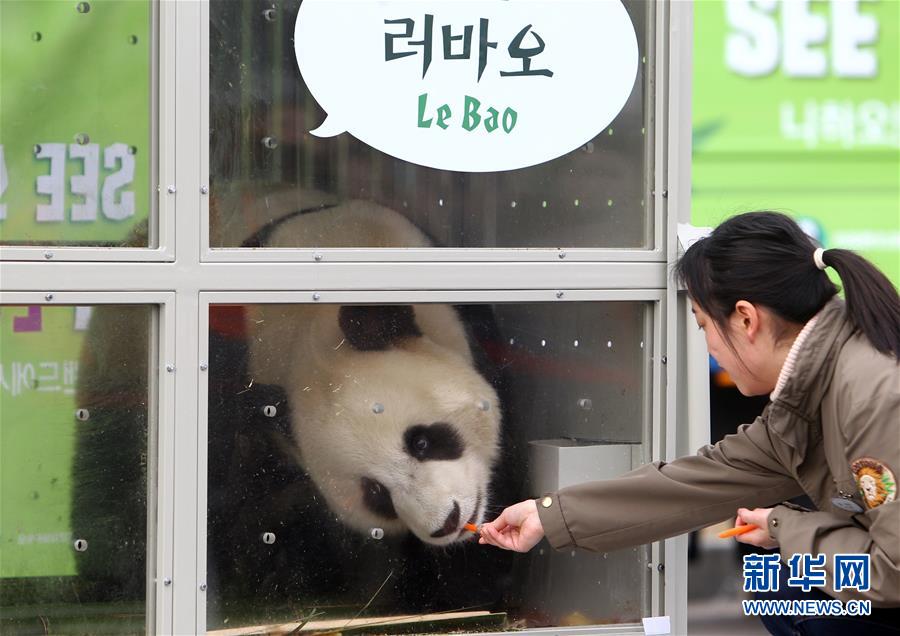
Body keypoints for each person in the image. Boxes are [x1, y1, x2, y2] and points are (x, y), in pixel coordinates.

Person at [478, 212, 900, 635]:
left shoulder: (873, 394)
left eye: (703, 324)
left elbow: (892, 573)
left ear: (746, 319)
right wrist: (549, 515)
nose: (709, 345)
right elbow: (698, 482)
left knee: (788, 590)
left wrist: (784, 527)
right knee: (779, 588)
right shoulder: (809, 394)